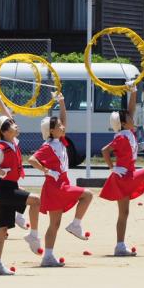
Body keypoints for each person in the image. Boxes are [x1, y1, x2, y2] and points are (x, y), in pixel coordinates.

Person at [99, 82, 144, 257]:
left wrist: (133, 91)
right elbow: (105, 151)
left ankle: (120, 246)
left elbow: (131, 109)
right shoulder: (121, 137)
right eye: (129, 118)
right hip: (124, 176)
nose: (133, 118)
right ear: (123, 123)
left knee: (124, 213)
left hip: (126, 175)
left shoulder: (127, 132)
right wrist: (112, 168)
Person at [0, 96, 42, 275]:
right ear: (5, 132)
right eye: (12, 125)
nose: (16, 125)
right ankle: (33, 235)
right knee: (36, 200)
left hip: (10, 188)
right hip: (5, 189)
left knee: (2, 230)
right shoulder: (0, 148)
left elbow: (7, 117)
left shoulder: (11, 142)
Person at [29, 94, 93, 267]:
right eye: (58, 126)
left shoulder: (61, 140)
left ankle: (48, 256)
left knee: (55, 223)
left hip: (61, 184)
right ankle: (75, 225)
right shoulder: (48, 146)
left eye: (61, 126)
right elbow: (32, 160)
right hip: (55, 186)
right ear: (51, 131)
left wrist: (62, 101)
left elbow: (64, 119)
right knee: (87, 195)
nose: (62, 127)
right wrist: (47, 171)